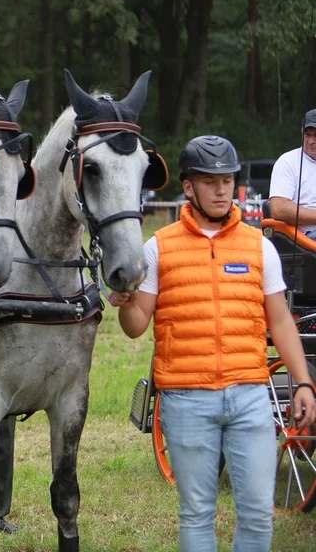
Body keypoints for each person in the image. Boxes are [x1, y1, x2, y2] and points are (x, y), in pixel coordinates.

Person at [112, 135, 316, 552]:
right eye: (210, 181)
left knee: (259, 514)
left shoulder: (259, 246)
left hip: (250, 399)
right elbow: (135, 326)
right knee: (198, 513)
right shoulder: (158, 248)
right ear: (189, 187)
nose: (222, 189)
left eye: (227, 179)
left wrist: (304, 381)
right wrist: (123, 299)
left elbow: (280, 320)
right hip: (186, 400)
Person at [268, 109, 316, 237]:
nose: (311, 141)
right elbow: (278, 209)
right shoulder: (288, 162)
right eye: (307, 135)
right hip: (304, 237)